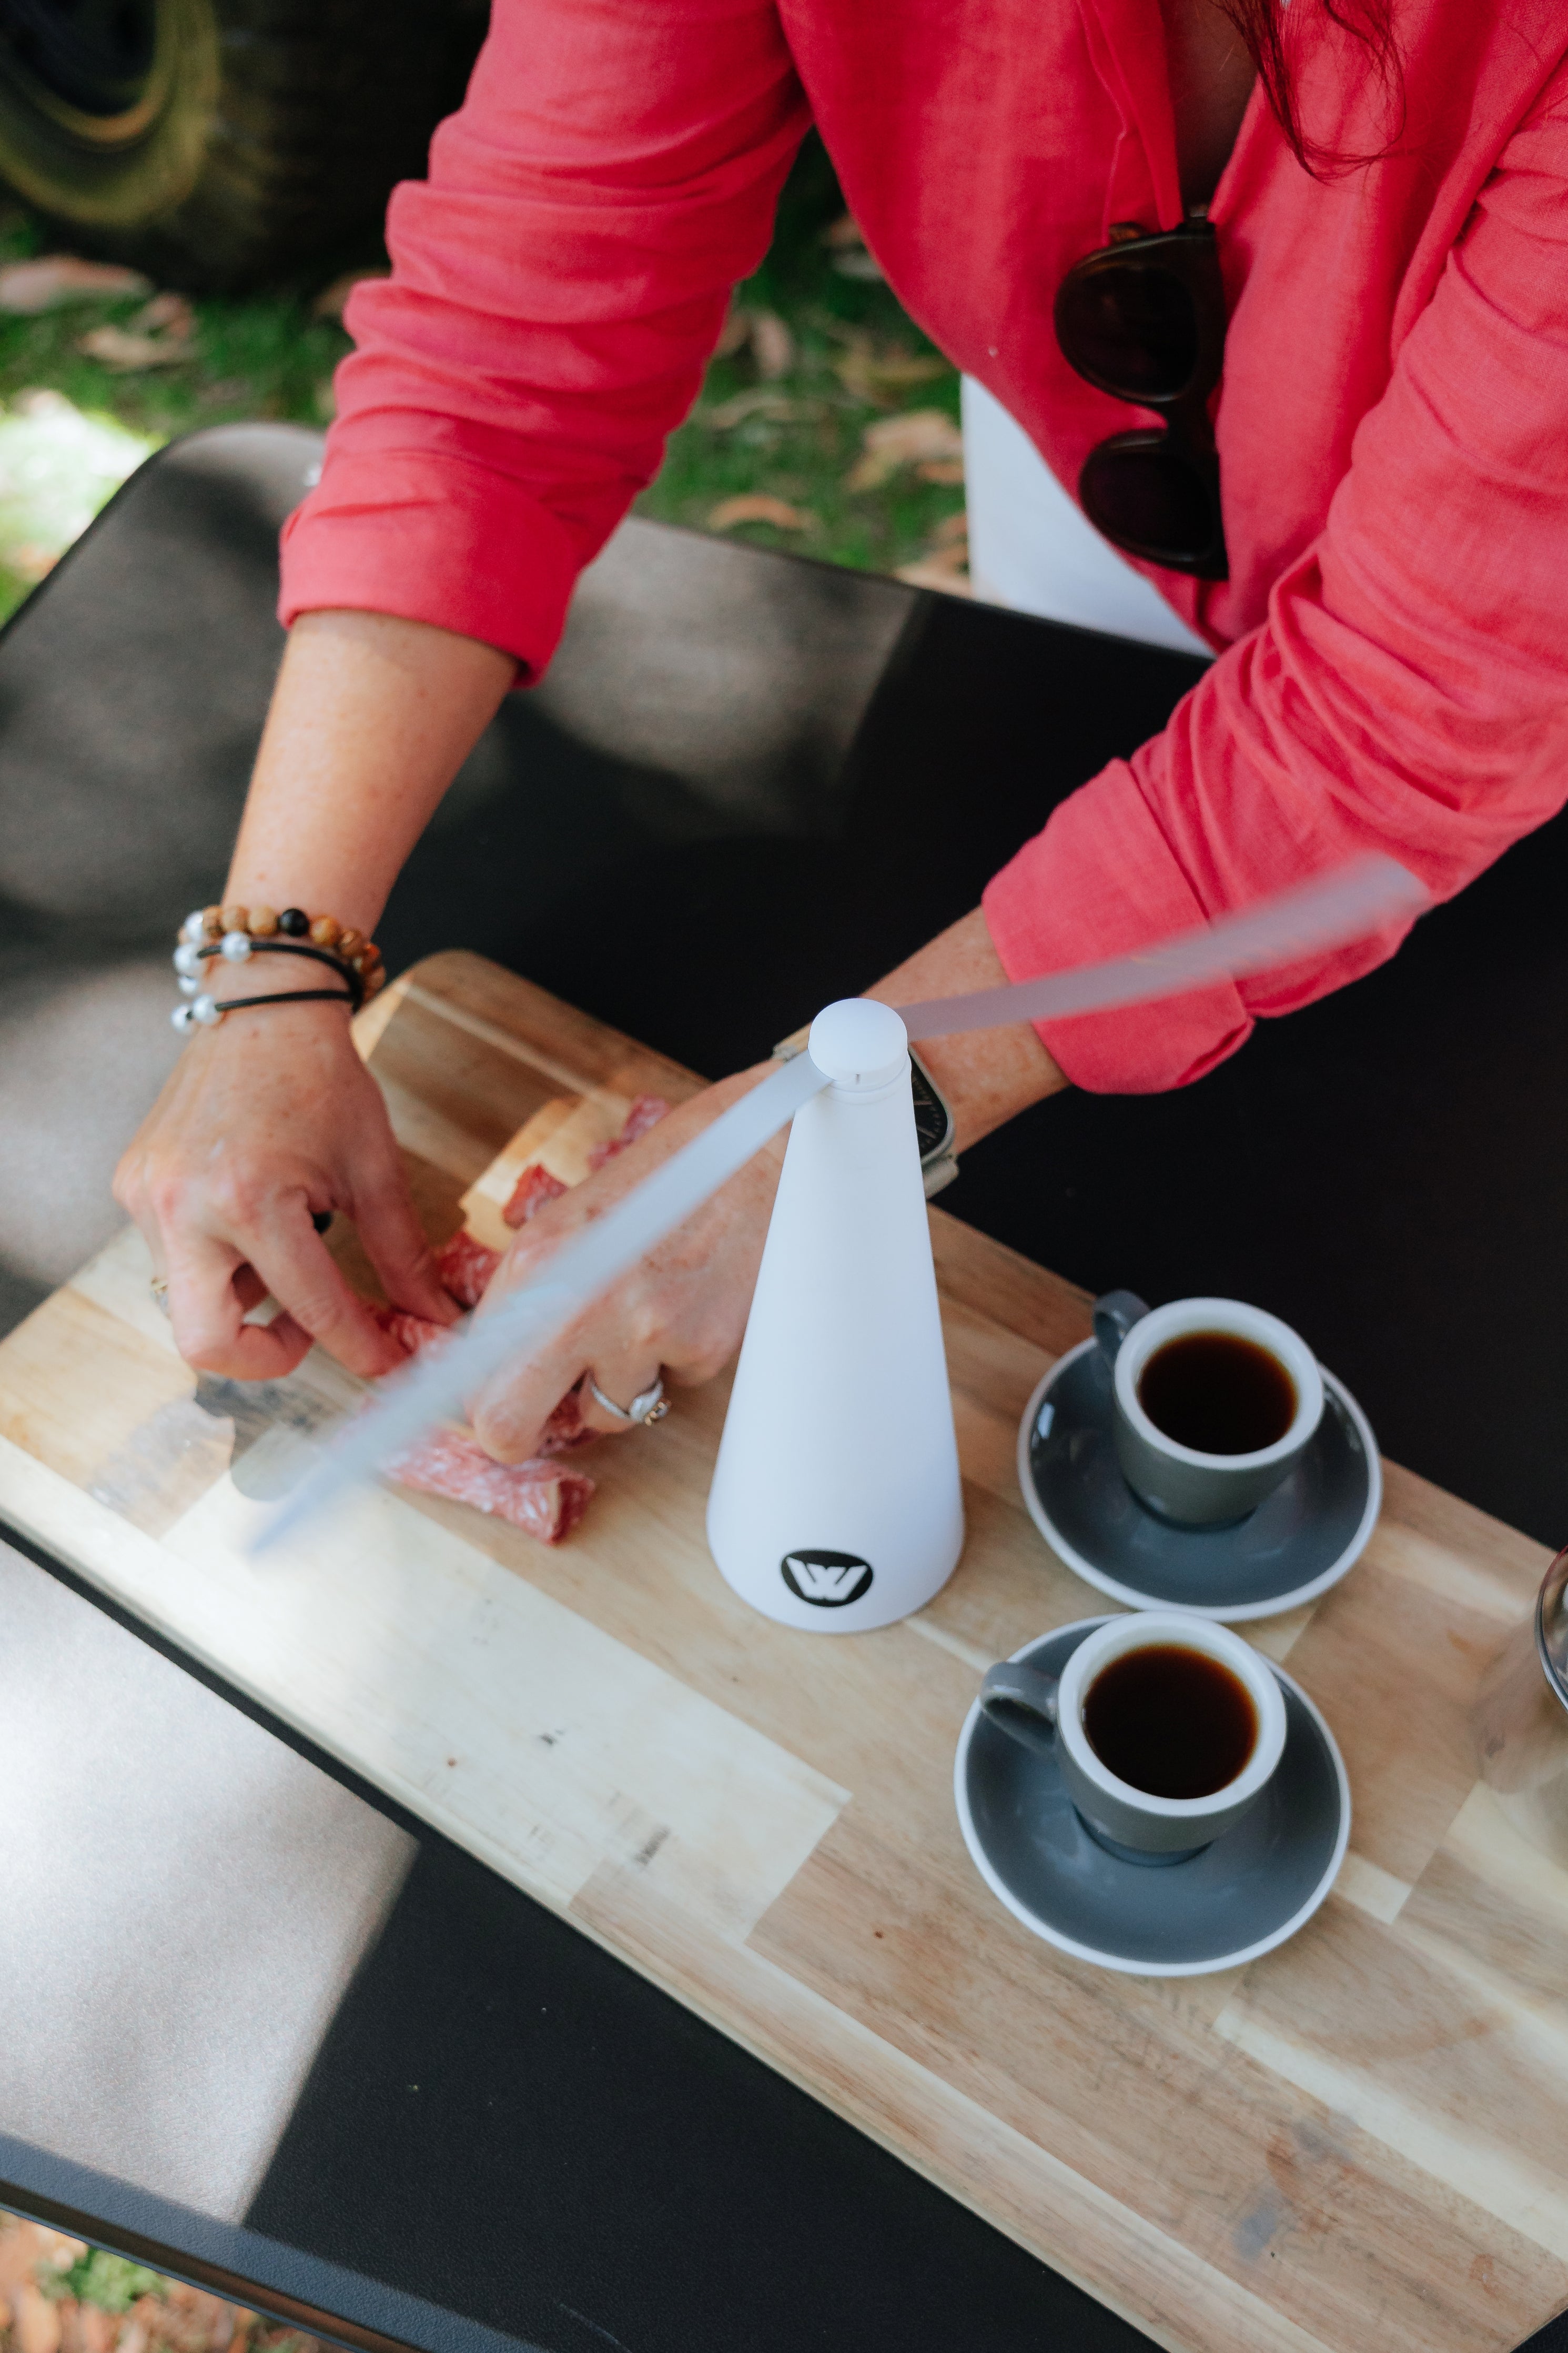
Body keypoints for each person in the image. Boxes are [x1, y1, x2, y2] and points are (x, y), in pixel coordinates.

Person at [117, 0, 1568, 1463]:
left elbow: (1419, 700)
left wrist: (846, 1115)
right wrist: (274, 970)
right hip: (1133, 496)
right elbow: (504, 352)